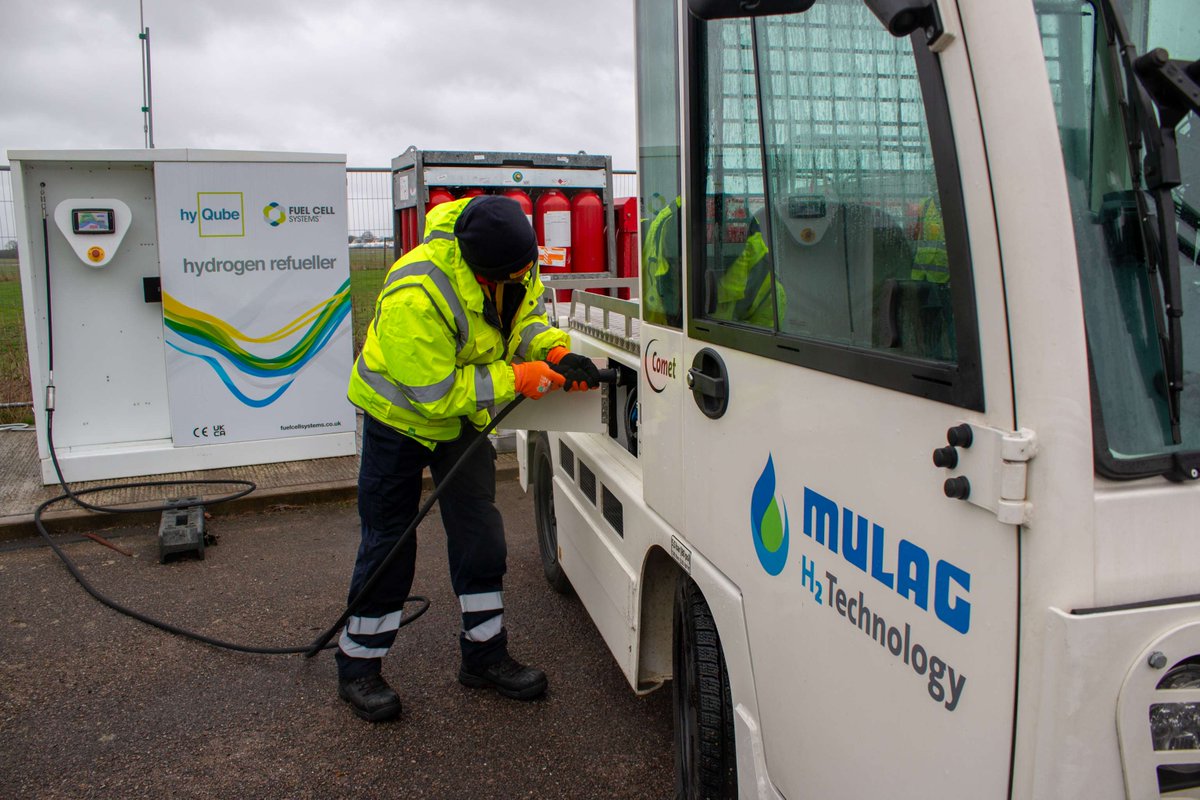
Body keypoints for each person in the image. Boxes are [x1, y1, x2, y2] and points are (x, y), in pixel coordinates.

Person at [336, 194, 600, 722]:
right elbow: (432, 393)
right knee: (390, 543)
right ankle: (359, 668)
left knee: (481, 535)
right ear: (485, 272)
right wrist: (516, 378)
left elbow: (521, 320)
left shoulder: (514, 261)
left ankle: (484, 655)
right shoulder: (418, 291)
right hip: (400, 421)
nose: (527, 276)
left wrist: (549, 349)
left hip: (462, 421)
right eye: (516, 273)